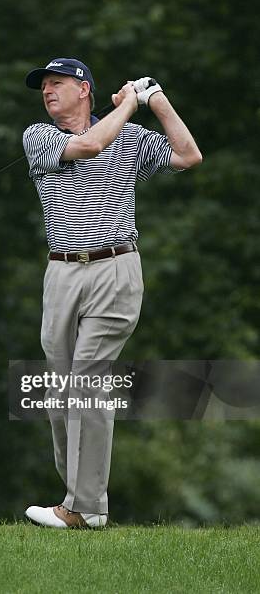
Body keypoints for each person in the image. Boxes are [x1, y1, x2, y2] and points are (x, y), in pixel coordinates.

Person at [22, 57, 202, 528]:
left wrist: (155, 99)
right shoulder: (39, 137)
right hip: (61, 273)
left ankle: (84, 509)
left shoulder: (130, 138)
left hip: (115, 269)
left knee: (87, 379)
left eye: (57, 83)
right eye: (43, 86)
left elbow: (188, 155)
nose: (47, 92)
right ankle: (79, 499)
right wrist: (129, 107)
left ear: (84, 89)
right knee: (62, 393)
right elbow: (88, 144)